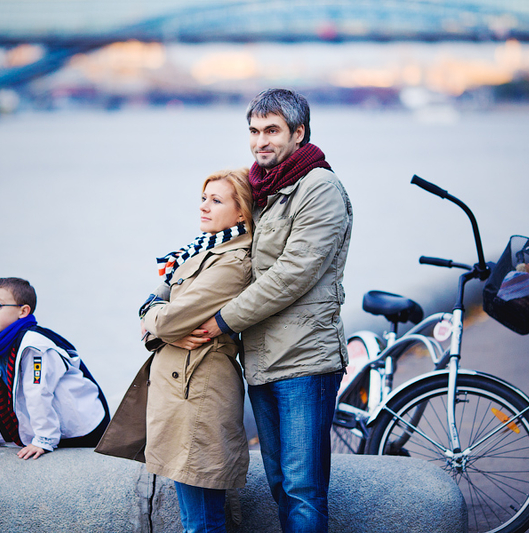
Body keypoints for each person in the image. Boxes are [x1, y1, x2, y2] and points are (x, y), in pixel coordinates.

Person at [193, 88, 353, 532]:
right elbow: (226, 250)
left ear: (298, 133)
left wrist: (221, 320)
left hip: (305, 360)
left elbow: (292, 275)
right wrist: (168, 295)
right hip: (263, 358)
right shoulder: (264, 189)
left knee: (303, 489)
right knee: (280, 483)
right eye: (254, 131)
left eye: (272, 131)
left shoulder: (318, 188)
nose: (260, 141)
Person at [97, 168, 254, 533]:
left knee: (201, 523)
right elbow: (159, 311)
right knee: (196, 519)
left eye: (216, 201)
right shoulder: (202, 250)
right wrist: (162, 323)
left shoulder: (233, 262)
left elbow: (167, 319)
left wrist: (158, 321)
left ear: (241, 212)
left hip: (196, 392)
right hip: (181, 389)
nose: (204, 207)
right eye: (203, 198)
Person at [0, 277, 110, 460]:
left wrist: (44, 439)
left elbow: (38, 391)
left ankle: (45, 435)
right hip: (49, 427)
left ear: (23, 311)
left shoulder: (35, 345)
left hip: (80, 430)